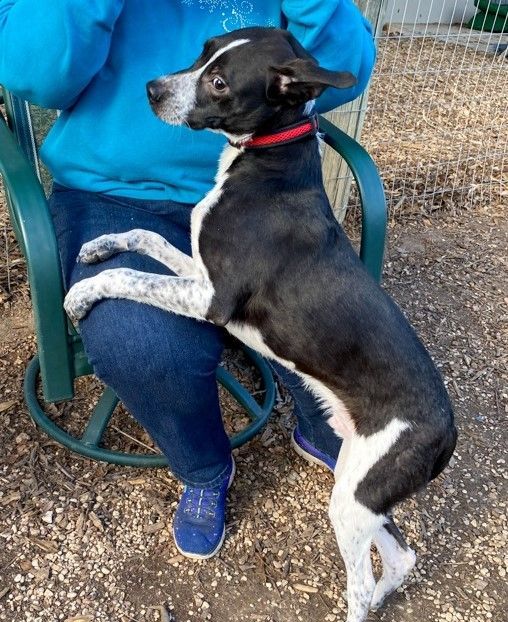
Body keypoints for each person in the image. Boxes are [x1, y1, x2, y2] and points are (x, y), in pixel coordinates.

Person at [0, 0, 375, 559]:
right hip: (118, 193)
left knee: (332, 309)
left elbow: (340, 76)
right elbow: (32, 74)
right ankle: (203, 466)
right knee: (140, 344)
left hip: (258, 177)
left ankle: (322, 427)